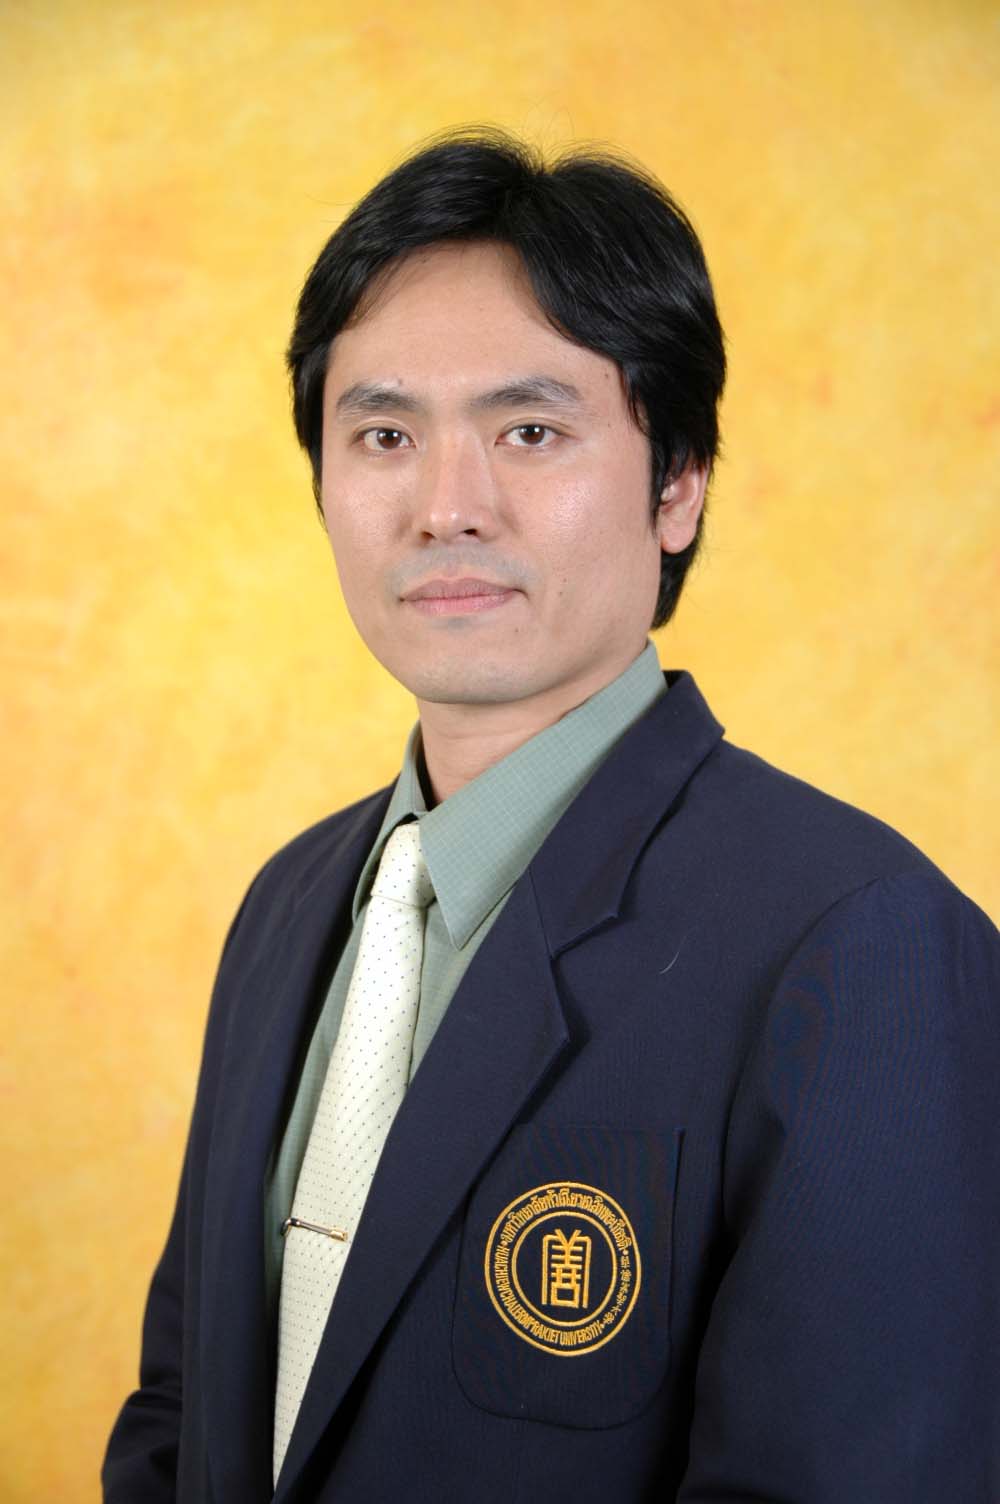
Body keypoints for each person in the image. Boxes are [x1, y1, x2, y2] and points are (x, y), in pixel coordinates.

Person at [103, 129, 999, 1504]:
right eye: (385, 435)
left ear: (679, 483)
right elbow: (182, 1411)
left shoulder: (865, 946)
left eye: (530, 431)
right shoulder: (288, 907)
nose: (445, 508)